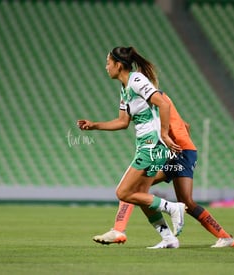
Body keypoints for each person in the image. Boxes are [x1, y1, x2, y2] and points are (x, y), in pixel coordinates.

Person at [92, 91, 234, 248]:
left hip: (174, 150)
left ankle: (120, 230)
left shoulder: (151, 97)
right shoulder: (159, 96)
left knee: (132, 189)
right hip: (184, 150)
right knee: (182, 200)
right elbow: (185, 125)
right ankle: (222, 237)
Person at [77, 46, 186, 243]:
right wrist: (95, 125)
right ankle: (169, 239)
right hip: (148, 146)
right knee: (140, 195)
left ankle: (173, 207)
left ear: (118, 65)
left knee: (124, 193)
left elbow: (163, 103)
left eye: (108, 63)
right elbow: (122, 122)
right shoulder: (125, 88)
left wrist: (164, 134)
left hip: (152, 145)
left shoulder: (137, 80)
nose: (106, 67)